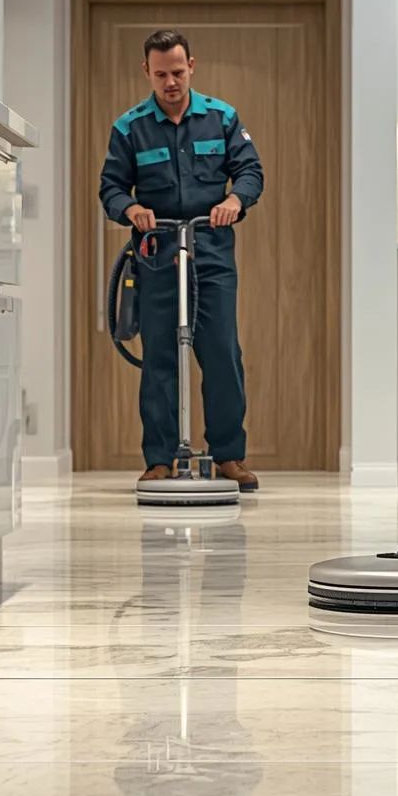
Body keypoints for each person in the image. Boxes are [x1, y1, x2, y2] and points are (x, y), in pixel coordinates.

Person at [99, 30, 264, 491]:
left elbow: (250, 170)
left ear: (191, 65)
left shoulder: (221, 117)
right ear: (146, 72)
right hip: (157, 251)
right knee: (160, 357)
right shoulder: (130, 127)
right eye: (160, 75)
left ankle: (229, 456)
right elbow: (111, 187)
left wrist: (235, 199)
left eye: (177, 71)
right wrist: (131, 209)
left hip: (211, 249)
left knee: (222, 352)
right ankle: (160, 459)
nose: (170, 82)